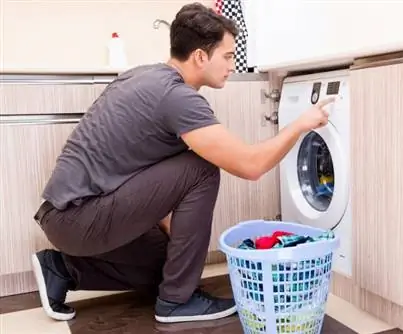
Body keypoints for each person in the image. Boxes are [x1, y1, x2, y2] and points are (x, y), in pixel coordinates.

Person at [31, 2, 335, 324]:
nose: (232, 65)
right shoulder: (177, 98)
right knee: (202, 168)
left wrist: (180, 252)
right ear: (200, 56)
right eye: (228, 56)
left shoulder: (142, 76)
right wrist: (302, 123)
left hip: (68, 217)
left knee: (169, 266)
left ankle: (61, 268)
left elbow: (144, 175)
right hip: (79, 218)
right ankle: (176, 302)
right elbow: (251, 165)